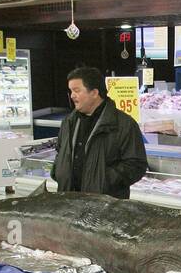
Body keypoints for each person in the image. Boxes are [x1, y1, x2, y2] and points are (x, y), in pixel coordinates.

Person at [52, 66, 148, 197]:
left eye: (76, 90)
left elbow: (136, 165)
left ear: (94, 93)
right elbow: (59, 151)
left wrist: (103, 180)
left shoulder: (124, 124)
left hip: (106, 206)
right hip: (69, 202)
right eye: (71, 91)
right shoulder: (68, 122)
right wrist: (58, 172)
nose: (72, 95)